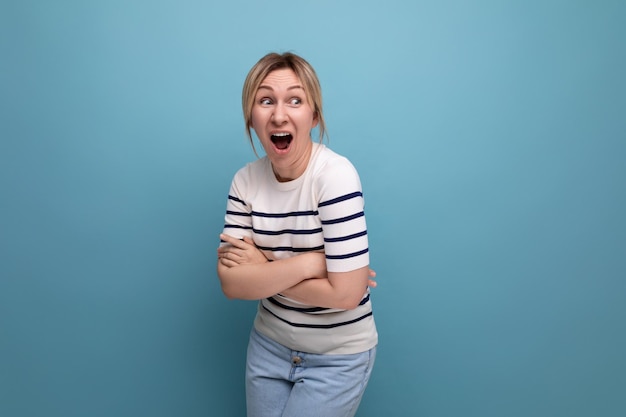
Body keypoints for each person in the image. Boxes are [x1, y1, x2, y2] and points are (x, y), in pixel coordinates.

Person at [217, 52, 377, 417]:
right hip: (268, 347)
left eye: (295, 99)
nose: (279, 114)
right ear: (252, 117)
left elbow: (348, 295)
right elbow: (231, 284)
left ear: (314, 116)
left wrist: (265, 266)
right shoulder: (244, 181)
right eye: (265, 100)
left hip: (338, 359)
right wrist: (312, 263)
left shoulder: (335, 177)